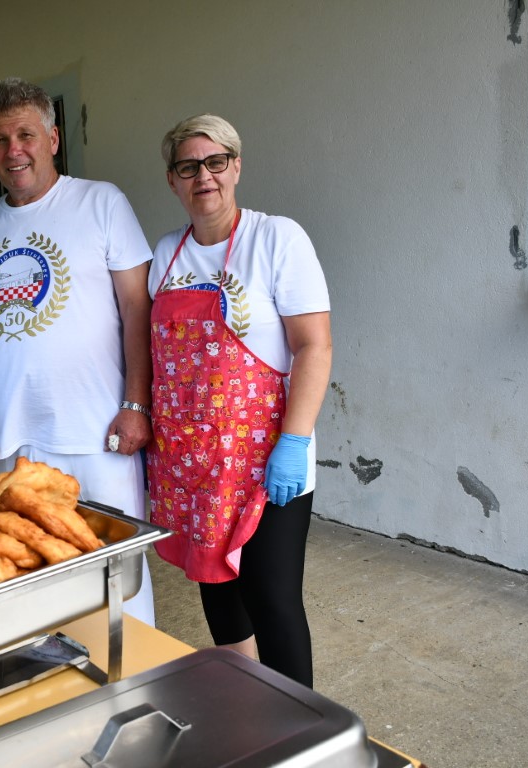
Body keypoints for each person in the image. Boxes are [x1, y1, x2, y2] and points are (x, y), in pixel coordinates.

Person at [0, 78, 156, 625]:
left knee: (116, 576)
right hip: (15, 436)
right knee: (31, 572)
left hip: (97, 433)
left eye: (25, 135)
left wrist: (137, 405)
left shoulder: (101, 202)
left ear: (53, 139)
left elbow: (138, 309)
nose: (13, 150)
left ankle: (135, 668)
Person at [146, 114, 332, 688]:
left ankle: (301, 724)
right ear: (172, 180)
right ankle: (250, 700)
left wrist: (294, 441)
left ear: (236, 167)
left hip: (265, 460)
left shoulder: (276, 238)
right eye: (188, 167)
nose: (203, 176)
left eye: (215, 162)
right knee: (217, 590)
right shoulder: (167, 253)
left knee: (272, 597)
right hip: (191, 462)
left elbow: (314, 345)